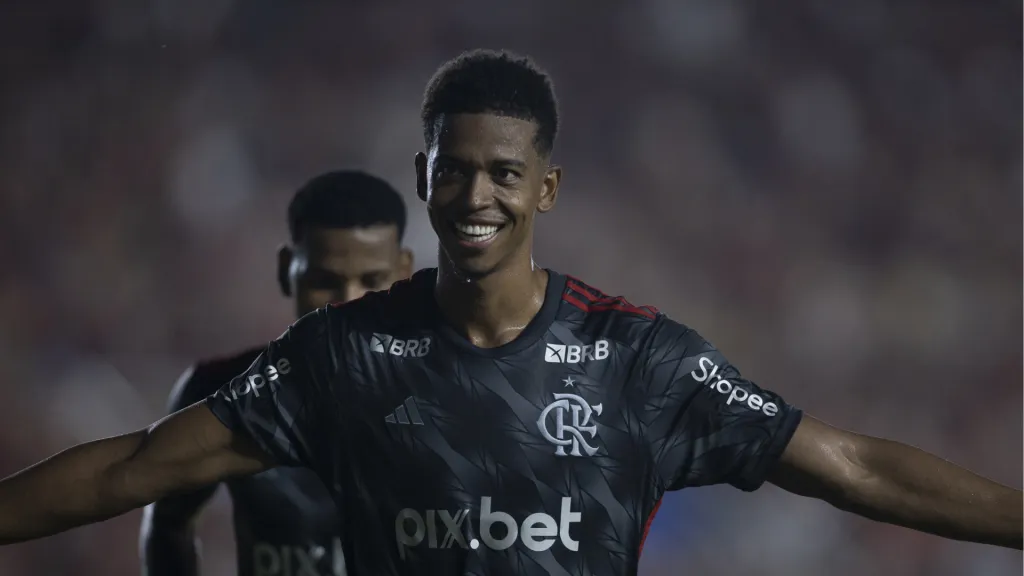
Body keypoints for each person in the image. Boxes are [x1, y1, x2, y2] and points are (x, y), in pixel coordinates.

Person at [0, 50, 1019, 576]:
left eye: (504, 172)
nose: (476, 195)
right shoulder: (343, 356)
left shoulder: (638, 360)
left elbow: (854, 468)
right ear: (423, 179)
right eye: (454, 171)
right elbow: (138, 469)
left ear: (546, 188)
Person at [139, 170, 413, 576]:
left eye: (371, 281)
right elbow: (167, 522)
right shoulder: (222, 393)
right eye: (325, 281)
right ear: (287, 269)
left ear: (404, 273)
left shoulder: (452, 391)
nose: (349, 304)